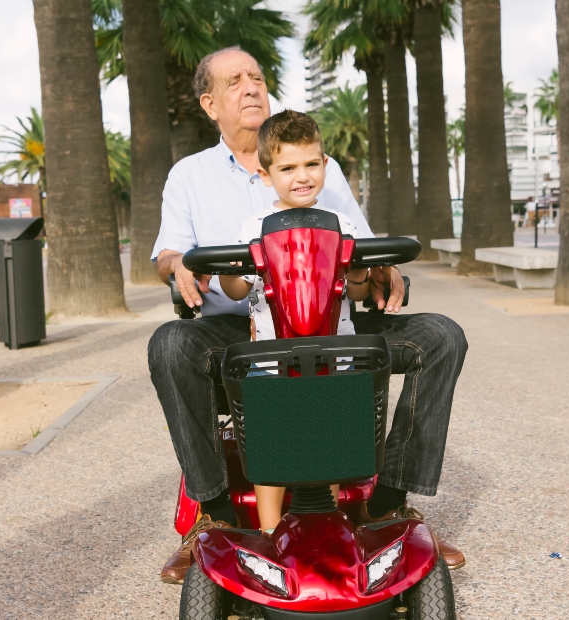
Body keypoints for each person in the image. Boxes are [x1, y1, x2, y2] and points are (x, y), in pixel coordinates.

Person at [149, 46, 468, 585]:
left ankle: (388, 504)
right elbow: (168, 255)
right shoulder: (190, 175)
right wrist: (180, 265)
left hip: (333, 317)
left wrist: (385, 271)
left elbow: (362, 247)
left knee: (440, 337)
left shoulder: (325, 167)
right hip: (246, 327)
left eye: (256, 77)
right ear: (209, 104)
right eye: (234, 82)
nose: (250, 87)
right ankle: (213, 518)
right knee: (171, 344)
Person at [218, 110, 372, 533]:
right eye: (287, 168)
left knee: (333, 441)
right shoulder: (254, 228)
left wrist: (359, 267)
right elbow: (234, 290)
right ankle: (270, 533)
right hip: (272, 359)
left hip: (336, 354)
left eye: (311, 164)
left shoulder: (343, 226)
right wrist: (228, 268)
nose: (301, 176)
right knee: (272, 445)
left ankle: (329, 524)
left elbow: (357, 291)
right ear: (266, 176)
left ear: (325, 165)